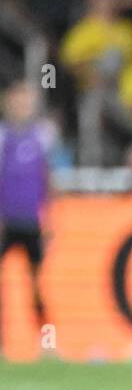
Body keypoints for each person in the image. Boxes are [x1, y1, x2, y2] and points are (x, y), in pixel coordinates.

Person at [0, 83, 58, 354]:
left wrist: (51, 219)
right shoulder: (2, 137)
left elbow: (49, 180)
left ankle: (46, 343)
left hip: (32, 221)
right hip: (6, 222)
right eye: (17, 101)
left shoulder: (43, 136)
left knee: (36, 285)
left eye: (26, 102)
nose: (22, 107)